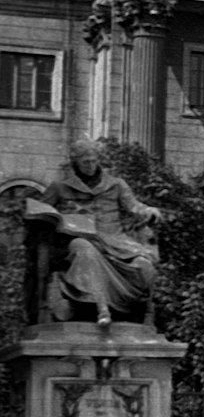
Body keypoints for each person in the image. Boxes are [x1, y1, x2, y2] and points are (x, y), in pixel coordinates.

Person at [37, 139, 163, 327]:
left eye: (93, 160)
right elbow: (41, 211)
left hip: (115, 242)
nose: (90, 165)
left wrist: (148, 211)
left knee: (143, 264)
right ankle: (101, 309)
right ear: (75, 163)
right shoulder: (59, 187)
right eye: (85, 162)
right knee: (84, 249)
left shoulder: (116, 184)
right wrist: (51, 219)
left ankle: (140, 319)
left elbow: (134, 206)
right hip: (78, 240)